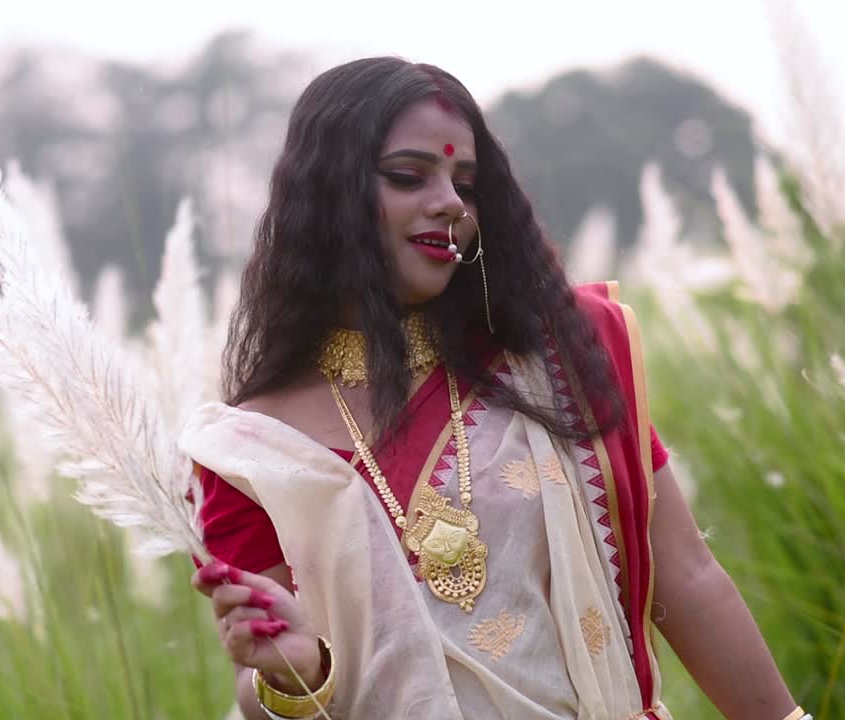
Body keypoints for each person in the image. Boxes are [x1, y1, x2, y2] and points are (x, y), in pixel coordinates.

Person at [183, 57, 805, 720]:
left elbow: (685, 577)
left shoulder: (556, 357)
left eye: (467, 184)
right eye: (407, 176)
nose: (451, 202)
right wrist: (296, 673)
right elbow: (262, 684)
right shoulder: (250, 453)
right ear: (326, 193)